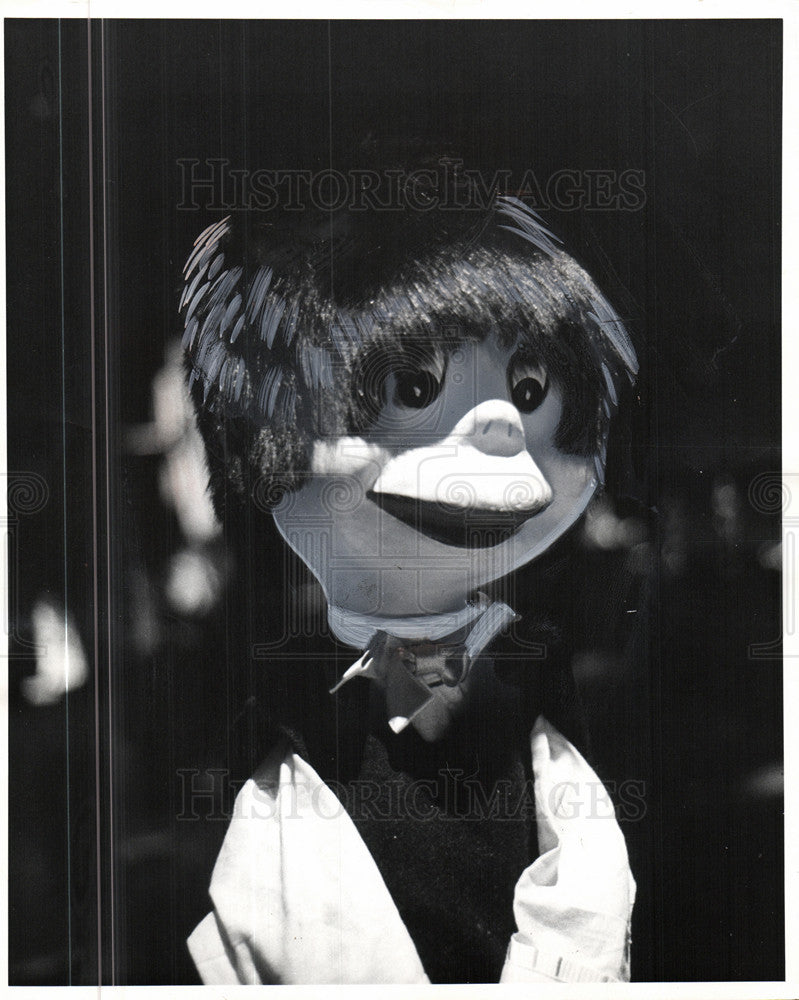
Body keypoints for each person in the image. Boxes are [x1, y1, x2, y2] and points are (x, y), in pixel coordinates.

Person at [179, 154, 638, 984]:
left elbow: (588, 883)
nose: (499, 433)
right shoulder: (286, 724)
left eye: (528, 391)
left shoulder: (528, 676)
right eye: (414, 386)